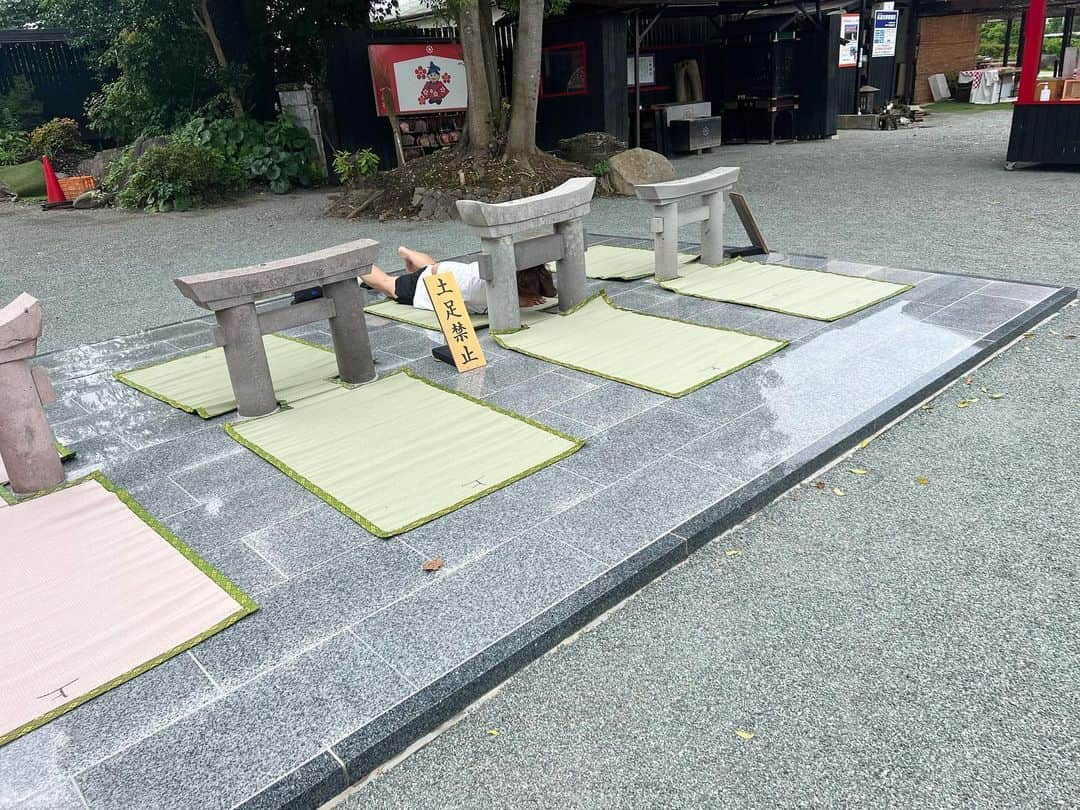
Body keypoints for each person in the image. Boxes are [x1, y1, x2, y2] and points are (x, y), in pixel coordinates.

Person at [359, 246, 556, 315]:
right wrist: (519, 301)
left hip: (451, 270)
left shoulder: (503, 270)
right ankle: (354, 264)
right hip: (430, 284)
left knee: (430, 266)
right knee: (387, 286)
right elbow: (436, 272)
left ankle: (408, 253)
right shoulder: (476, 291)